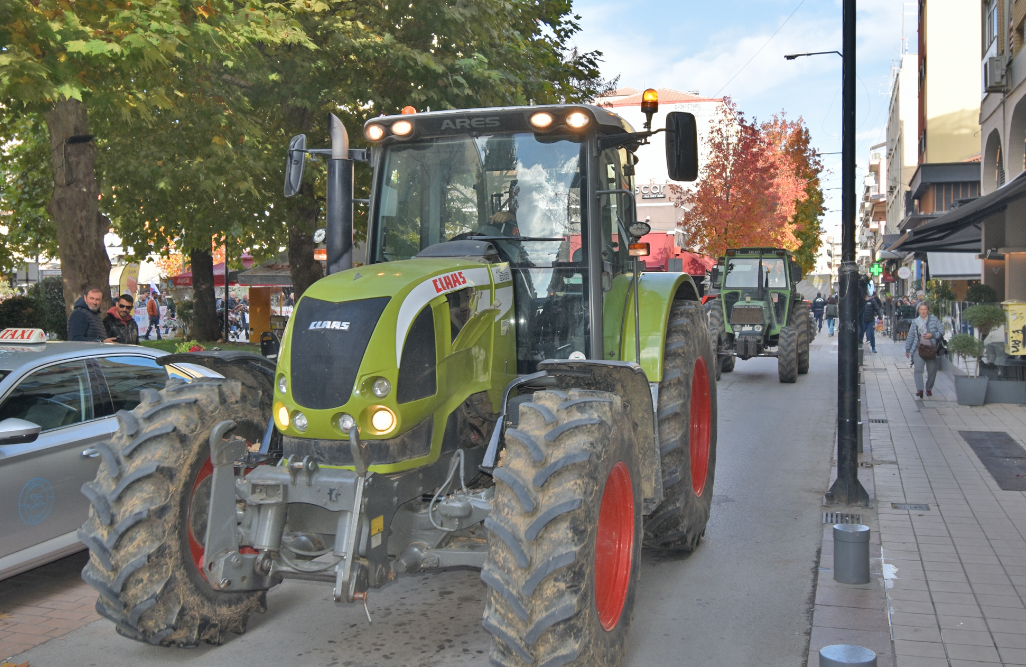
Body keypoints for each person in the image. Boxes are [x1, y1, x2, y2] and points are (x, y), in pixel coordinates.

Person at [905, 301, 944, 398]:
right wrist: (907, 349)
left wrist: (932, 335)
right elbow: (911, 336)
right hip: (918, 349)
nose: (923, 311)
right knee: (918, 370)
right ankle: (920, 390)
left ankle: (929, 388)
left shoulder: (934, 320)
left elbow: (942, 331)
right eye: (921, 309)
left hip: (931, 349)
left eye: (925, 309)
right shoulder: (915, 322)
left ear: (928, 310)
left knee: (932, 371)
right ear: (918, 310)